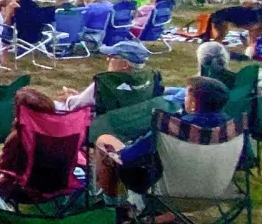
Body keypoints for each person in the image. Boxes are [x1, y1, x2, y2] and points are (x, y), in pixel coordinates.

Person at [94, 76, 232, 194]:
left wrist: (127, 147)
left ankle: (114, 206)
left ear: (193, 103)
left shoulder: (175, 127)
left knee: (104, 141)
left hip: (169, 190)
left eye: (186, 96)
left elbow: (128, 156)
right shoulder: (231, 128)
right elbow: (245, 161)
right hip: (216, 190)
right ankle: (166, 217)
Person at [59, 40, 163, 112]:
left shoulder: (106, 84)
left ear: (125, 64)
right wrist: (83, 95)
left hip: (103, 132)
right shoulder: (149, 81)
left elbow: (74, 105)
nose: (107, 59)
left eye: (112, 56)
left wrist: (69, 98)